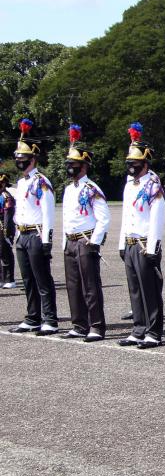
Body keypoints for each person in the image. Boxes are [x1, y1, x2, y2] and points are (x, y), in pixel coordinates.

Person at [117, 122, 165, 348]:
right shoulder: (130, 186)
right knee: (135, 289)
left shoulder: (153, 186)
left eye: (135, 163)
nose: (131, 166)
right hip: (130, 242)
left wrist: (153, 248)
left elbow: (156, 220)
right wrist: (122, 243)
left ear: (145, 163)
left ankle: (153, 332)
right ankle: (138, 328)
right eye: (129, 163)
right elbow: (126, 215)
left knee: (150, 290)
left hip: (145, 244)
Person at [8, 119, 58, 335]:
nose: (19, 161)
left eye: (23, 158)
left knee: (42, 279)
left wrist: (46, 240)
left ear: (33, 159)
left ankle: (50, 319)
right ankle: (32, 317)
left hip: (36, 234)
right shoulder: (21, 182)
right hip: (22, 234)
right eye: (18, 158)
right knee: (27, 280)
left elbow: (48, 213)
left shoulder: (41, 182)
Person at [60, 124, 110, 342]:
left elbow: (104, 218)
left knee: (90, 286)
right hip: (70, 241)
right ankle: (79, 324)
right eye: (68, 164)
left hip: (85, 240)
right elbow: (66, 218)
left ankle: (96, 326)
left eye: (74, 164)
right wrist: (64, 242)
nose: (70, 167)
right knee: (73, 286)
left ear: (84, 165)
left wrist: (94, 242)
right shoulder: (68, 189)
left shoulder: (91, 189)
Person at [0, 174, 15, 289]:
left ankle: (9, 279)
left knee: (5, 253)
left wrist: (6, 232)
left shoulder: (6, 196)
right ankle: (1, 278)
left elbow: (8, 216)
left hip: (4, 227)